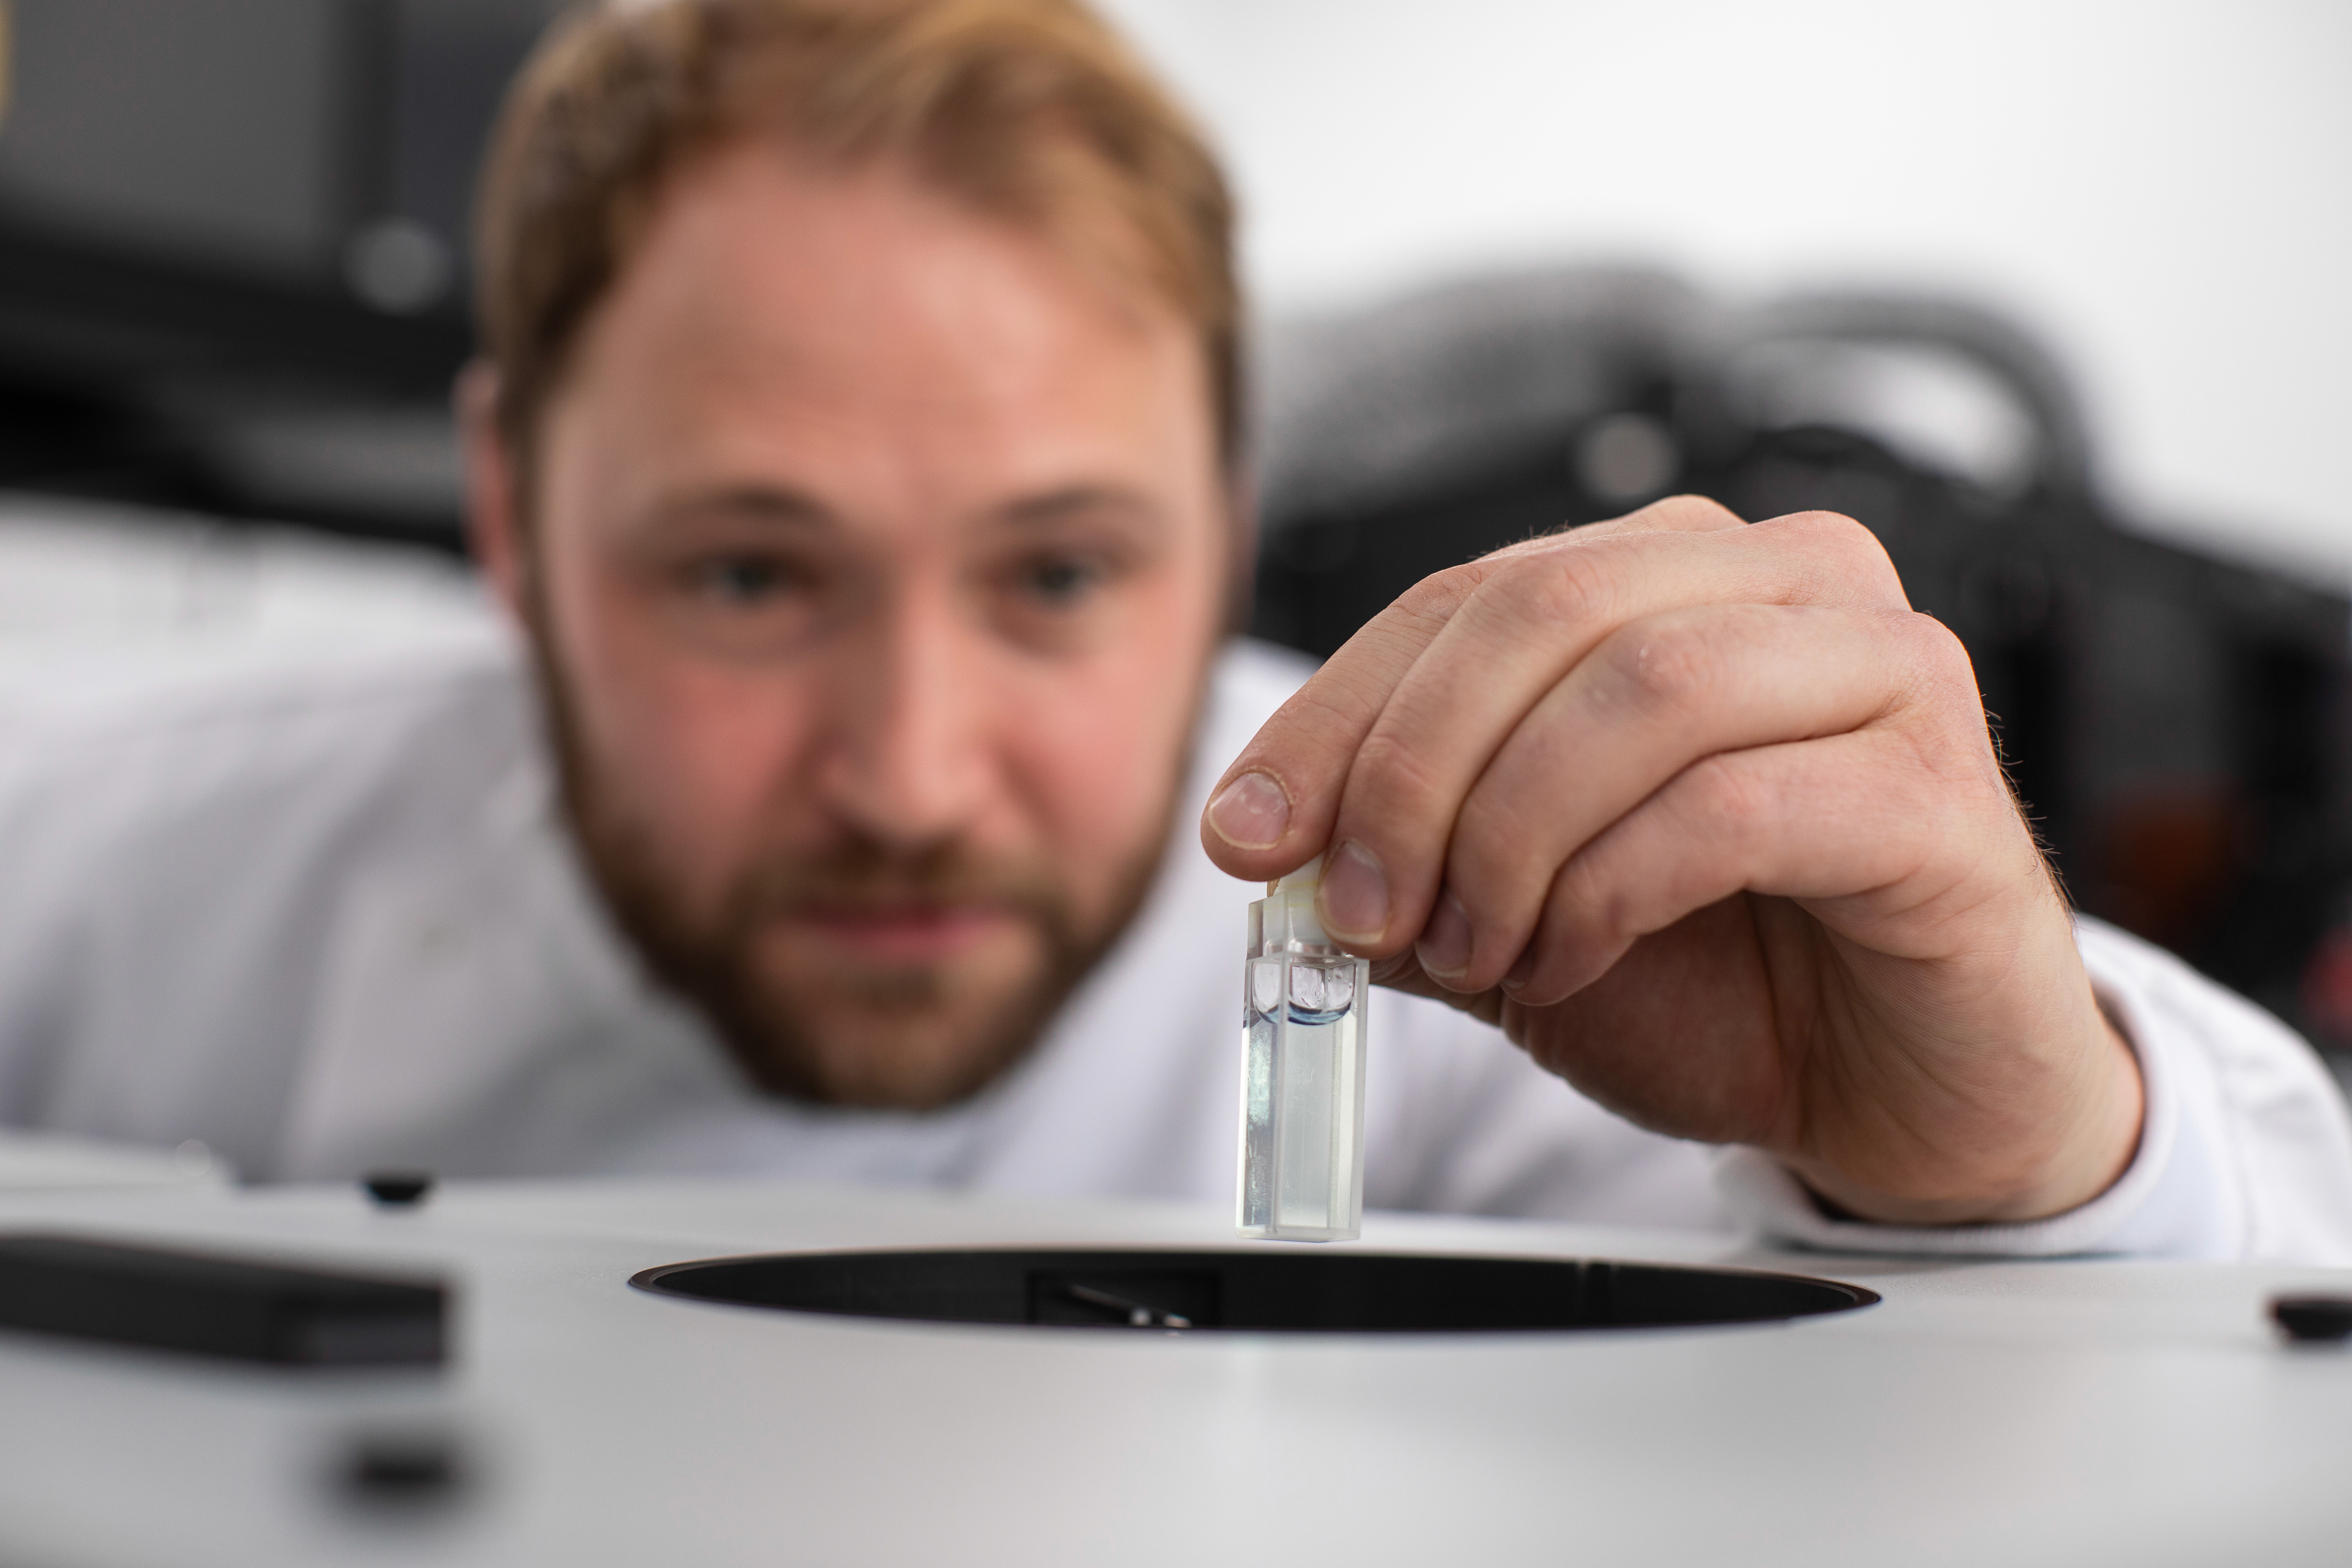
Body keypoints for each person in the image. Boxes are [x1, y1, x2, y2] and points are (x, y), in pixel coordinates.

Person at [1, 0, 2347, 1260]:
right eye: (745, 576)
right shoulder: (107, 876)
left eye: (1056, 576)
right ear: (510, 519)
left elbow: (2247, 1320)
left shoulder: (1487, 943)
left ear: (1223, 526)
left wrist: (2033, 1148)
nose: (915, 770)